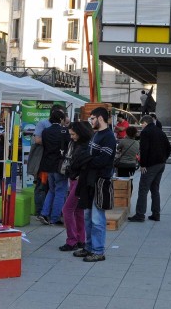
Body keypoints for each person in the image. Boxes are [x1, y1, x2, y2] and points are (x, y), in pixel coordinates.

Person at [73, 107, 115, 262]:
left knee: (97, 218)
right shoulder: (96, 135)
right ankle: (89, 247)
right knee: (88, 216)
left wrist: (86, 161)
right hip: (89, 181)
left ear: (100, 118)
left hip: (100, 181)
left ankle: (98, 251)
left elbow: (102, 160)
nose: (90, 121)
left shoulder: (108, 137)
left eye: (92, 118)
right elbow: (89, 156)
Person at [129, 115, 171, 223]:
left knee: (143, 189)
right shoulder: (160, 131)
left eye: (141, 124)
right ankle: (156, 214)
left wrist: (143, 164)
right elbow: (169, 147)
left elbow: (144, 149)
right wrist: (163, 158)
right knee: (155, 189)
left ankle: (140, 214)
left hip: (150, 165)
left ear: (145, 123)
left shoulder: (146, 132)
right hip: (161, 164)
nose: (141, 126)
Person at [59, 120, 92, 252]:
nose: (71, 137)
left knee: (67, 210)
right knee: (78, 210)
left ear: (80, 133)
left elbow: (85, 164)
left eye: (73, 134)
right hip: (76, 179)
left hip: (78, 181)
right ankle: (80, 240)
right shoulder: (80, 144)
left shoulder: (84, 147)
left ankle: (72, 240)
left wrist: (79, 174)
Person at [38, 108, 70, 225]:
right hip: (60, 164)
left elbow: (44, 146)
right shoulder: (64, 131)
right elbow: (68, 147)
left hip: (47, 164)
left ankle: (44, 213)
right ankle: (55, 217)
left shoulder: (46, 131)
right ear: (61, 119)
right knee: (61, 190)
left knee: (51, 190)